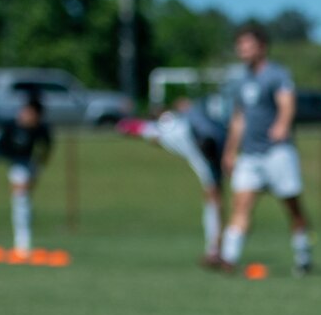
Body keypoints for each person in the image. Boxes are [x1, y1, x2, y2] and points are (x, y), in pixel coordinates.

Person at [219, 23, 311, 274]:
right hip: (250, 155)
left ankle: (303, 252)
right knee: (241, 205)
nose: (243, 50)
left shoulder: (276, 74)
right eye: (239, 46)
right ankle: (228, 257)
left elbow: (287, 103)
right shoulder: (240, 80)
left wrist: (282, 124)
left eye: (247, 45)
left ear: (261, 46)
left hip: (277, 152)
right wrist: (230, 151)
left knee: (292, 206)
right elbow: (239, 119)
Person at [117, 95, 229, 264]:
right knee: (214, 196)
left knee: (214, 197)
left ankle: (216, 249)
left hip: (204, 145)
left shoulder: (164, 132)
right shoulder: (172, 129)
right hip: (209, 144)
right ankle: (216, 249)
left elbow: (126, 127)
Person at [0, 89, 55, 255]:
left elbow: (46, 150)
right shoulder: (9, 124)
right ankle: (22, 243)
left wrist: (40, 166)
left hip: (24, 162)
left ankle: (23, 239)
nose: (27, 115)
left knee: (23, 199)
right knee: (20, 196)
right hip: (0, 153)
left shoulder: (41, 129)